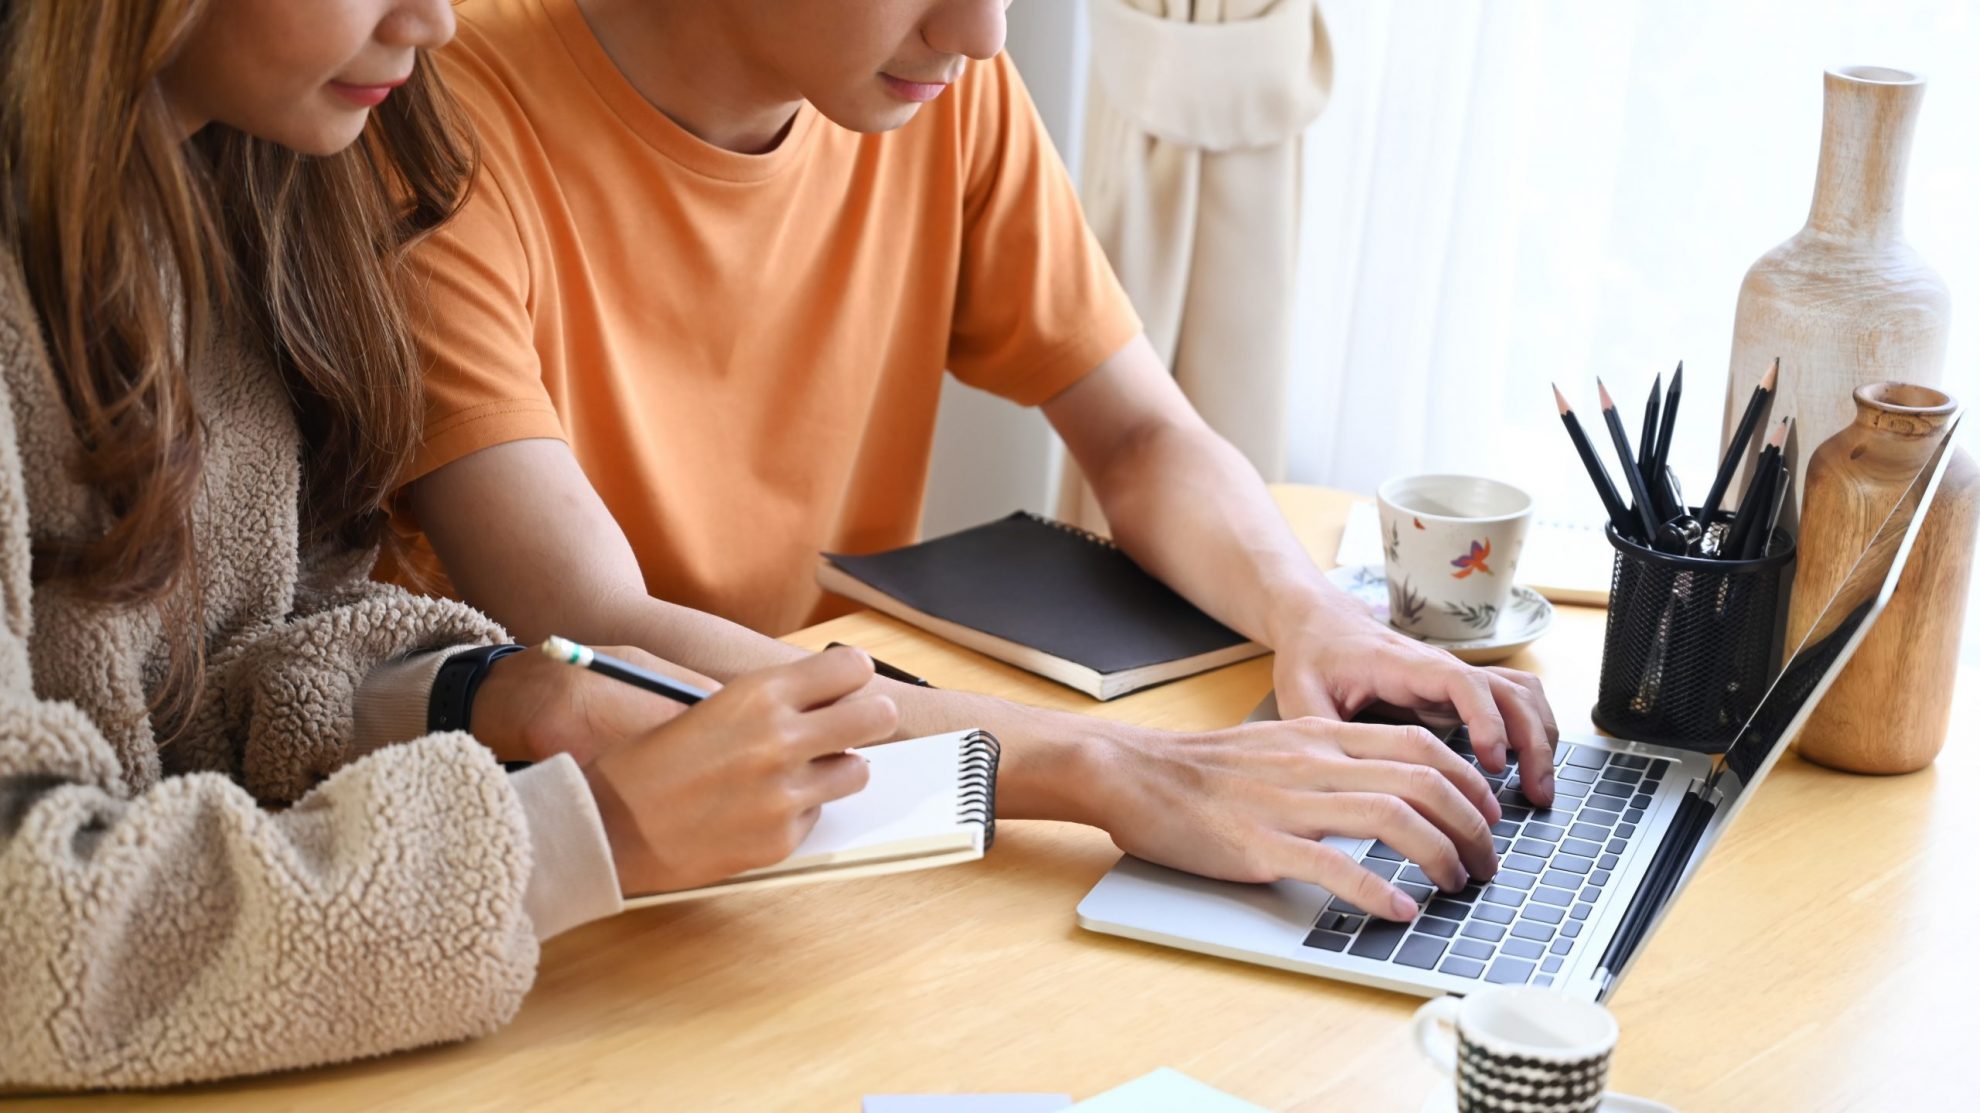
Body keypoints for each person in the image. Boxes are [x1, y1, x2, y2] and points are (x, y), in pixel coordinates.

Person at [390, 0, 1562, 922]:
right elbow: (600, 630)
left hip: (850, 796)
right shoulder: (432, 115)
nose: (983, 33)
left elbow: (1140, 434)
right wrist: (1118, 768)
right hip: (542, 845)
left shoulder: (934, 84)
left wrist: (1313, 615)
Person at [0, 0, 896, 1089]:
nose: (435, 19)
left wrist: (489, 697)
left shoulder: (235, 198)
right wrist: (587, 835)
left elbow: (210, 681)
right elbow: (27, 933)